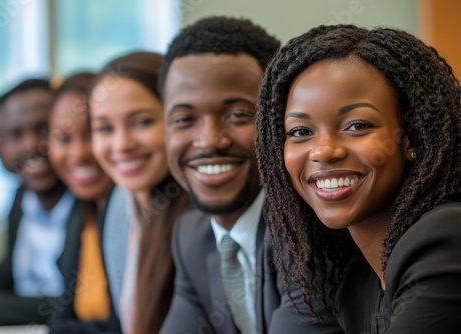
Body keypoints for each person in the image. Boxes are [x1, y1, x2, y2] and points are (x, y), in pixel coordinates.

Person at [255, 24, 461, 334]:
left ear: (412, 139)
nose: (323, 151)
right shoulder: (356, 282)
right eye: (300, 132)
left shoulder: (445, 237)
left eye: (357, 126)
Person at [159, 16, 343, 333]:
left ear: (278, 119)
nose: (209, 141)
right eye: (184, 119)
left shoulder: (307, 227)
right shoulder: (191, 235)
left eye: (236, 115)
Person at [88, 51, 190, 334]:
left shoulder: (202, 216)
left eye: (142, 122)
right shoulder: (118, 203)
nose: (121, 145)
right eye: (104, 128)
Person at [0, 79, 81, 325]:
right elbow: (8, 273)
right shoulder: (21, 198)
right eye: (15, 134)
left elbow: (81, 306)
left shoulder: (89, 206)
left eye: (44, 128)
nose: (30, 145)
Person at [46, 72, 121, 333]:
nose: (78, 154)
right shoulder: (79, 215)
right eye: (64, 139)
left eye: (93, 132)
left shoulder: (133, 217)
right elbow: (65, 316)